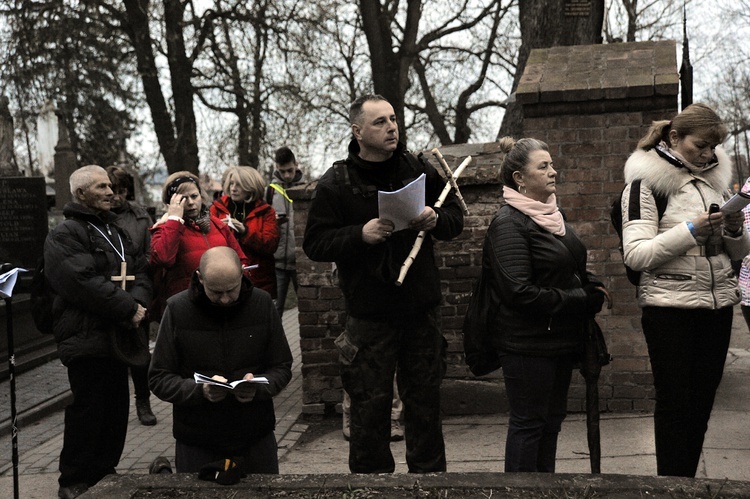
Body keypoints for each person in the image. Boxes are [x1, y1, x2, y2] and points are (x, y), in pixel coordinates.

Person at [303, 94, 464, 473]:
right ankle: (371, 484)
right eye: (380, 122)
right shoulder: (336, 183)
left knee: (425, 403)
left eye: (393, 119)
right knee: (368, 407)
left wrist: (435, 218)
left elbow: (455, 215)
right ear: (358, 131)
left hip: (420, 309)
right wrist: (359, 234)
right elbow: (314, 243)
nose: (392, 127)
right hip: (369, 315)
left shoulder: (418, 168)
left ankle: (430, 482)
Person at [620, 103, 750, 477]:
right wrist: (691, 230)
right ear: (674, 138)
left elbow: (738, 254)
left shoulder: (715, 180)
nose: (708, 155)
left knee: (702, 406)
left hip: (717, 306)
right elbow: (636, 254)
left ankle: (687, 483)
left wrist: (735, 229)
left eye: (714, 148)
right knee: (675, 406)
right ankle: (671, 485)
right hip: (669, 310)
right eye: (701, 146)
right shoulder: (645, 185)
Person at [483, 137, 606, 473]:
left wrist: (591, 283)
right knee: (529, 424)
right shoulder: (508, 224)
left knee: (551, 423)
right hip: (526, 345)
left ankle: (545, 490)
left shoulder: (553, 215)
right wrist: (580, 299)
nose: (553, 171)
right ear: (519, 178)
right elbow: (518, 292)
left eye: (551, 164)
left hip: (560, 341)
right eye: (543, 166)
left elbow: (568, 267)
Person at [44, 165, 152, 499]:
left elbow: (139, 270)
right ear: (81, 194)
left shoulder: (116, 229)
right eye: (101, 187)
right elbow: (81, 282)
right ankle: (73, 479)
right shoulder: (65, 234)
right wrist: (127, 308)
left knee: (116, 407)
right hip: (86, 335)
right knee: (89, 409)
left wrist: (138, 303)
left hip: (118, 334)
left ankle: (104, 470)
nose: (111, 192)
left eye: (110, 186)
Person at [149, 246, 293, 474]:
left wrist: (259, 387)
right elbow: (159, 377)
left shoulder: (262, 304)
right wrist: (199, 390)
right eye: (216, 292)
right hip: (197, 439)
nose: (225, 299)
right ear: (199, 278)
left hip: (255, 436)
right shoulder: (177, 309)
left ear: (243, 274)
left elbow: (282, 366)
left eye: (231, 290)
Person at [150, 171, 249, 319]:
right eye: (183, 198)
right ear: (171, 202)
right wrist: (174, 220)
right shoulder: (165, 228)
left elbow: (240, 258)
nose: (190, 202)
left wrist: (238, 278)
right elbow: (164, 258)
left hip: (223, 303)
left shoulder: (216, 224)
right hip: (187, 308)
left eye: (194, 196)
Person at [106, 165, 157, 426]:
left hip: (137, 291)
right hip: (109, 296)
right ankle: (116, 407)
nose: (116, 196)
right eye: (112, 190)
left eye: (121, 191)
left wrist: (139, 297)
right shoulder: (98, 218)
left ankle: (143, 399)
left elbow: (149, 256)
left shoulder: (140, 218)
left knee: (139, 353)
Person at [211, 165, 280, 297]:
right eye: (231, 183)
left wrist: (245, 231)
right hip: (225, 277)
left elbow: (270, 245)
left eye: (239, 185)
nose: (233, 188)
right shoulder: (217, 208)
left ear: (250, 187)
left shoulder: (266, 211)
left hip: (258, 279)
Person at [268, 146, 304, 317]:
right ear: (276, 168)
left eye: (290, 170)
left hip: (300, 261)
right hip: (277, 263)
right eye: (283, 171)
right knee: (275, 312)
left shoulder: (306, 188)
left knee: (306, 308)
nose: (287, 175)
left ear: (296, 164)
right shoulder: (270, 191)